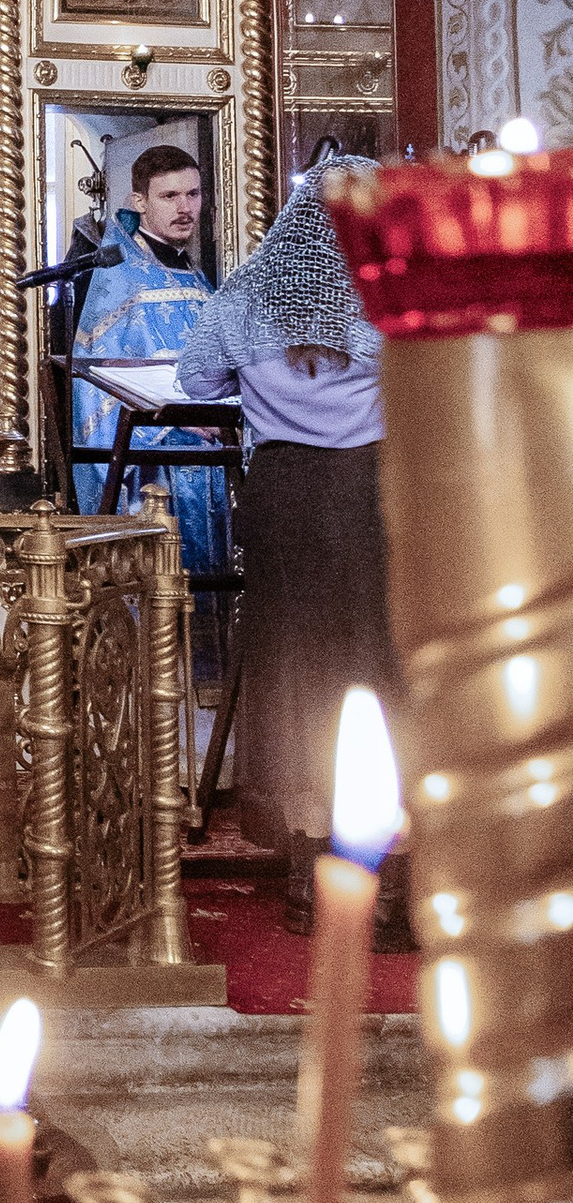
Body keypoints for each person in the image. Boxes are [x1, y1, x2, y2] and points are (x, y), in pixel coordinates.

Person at [175, 171, 397, 928]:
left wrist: (257, 396)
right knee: (377, 667)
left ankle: (307, 873)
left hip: (282, 497)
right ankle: (392, 884)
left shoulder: (241, 296)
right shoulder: (382, 295)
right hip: (369, 495)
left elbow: (194, 378)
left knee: (294, 667)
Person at [68, 141, 226, 577]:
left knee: (207, 591)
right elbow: (96, 385)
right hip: (155, 469)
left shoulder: (195, 276)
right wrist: (175, 417)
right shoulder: (118, 279)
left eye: (192, 194)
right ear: (139, 201)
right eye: (169, 196)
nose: (184, 207)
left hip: (207, 458)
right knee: (160, 591)